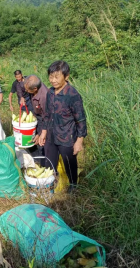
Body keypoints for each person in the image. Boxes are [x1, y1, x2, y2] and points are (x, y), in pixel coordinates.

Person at [39, 61, 87, 193]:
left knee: (69, 163)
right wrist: (43, 133)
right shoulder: (50, 93)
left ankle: (73, 185)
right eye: (50, 77)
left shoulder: (73, 95)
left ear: (66, 76)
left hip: (67, 136)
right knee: (49, 162)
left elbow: (81, 119)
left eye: (56, 77)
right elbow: (47, 114)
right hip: (51, 134)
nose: (53, 80)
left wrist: (79, 141)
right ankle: (51, 184)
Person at [24, 75, 48, 147]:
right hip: (37, 113)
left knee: (39, 142)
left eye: (28, 90)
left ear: (35, 89)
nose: (26, 91)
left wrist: (40, 133)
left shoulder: (44, 98)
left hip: (43, 119)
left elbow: (46, 119)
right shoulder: (33, 86)